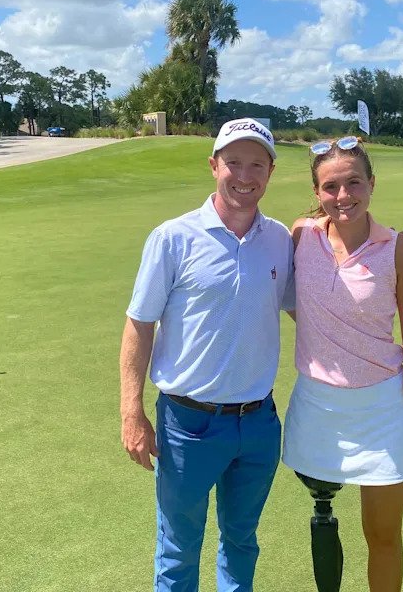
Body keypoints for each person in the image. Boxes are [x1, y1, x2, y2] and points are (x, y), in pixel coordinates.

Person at [119, 118, 295, 591]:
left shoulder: (280, 239)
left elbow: (307, 311)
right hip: (187, 424)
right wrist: (131, 412)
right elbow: (139, 324)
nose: (244, 174)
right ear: (213, 165)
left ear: (271, 171)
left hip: (258, 423)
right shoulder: (173, 237)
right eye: (233, 162)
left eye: (257, 163)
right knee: (178, 548)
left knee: (242, 541)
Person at [282, 137, 403, 592]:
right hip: (317, 408)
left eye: (353, 183)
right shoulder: (301, 235)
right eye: (331, 186)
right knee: (322, 518)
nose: (343, 196)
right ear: (317, 191)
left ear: (371, 184)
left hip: (382, 412)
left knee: (382, 535)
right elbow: (288, 296)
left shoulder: (400, 248)